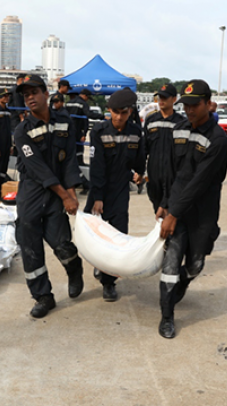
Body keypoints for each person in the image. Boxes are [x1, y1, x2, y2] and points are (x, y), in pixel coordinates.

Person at [156, 79, 227, 338]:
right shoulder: (179, 129)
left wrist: (173, 211)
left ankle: (184, 283)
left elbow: (200, 183)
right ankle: (167, 315)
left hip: (202, 214)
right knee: (171, 264)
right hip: (177, 210)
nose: (189, 110)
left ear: (209, 104)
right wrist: (165, 204)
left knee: (196, 264)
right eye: (185, 105)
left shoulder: (219, 141)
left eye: (195, 105)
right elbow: (171, 172)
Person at [13, 74, 83, 318]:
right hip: (32, 192)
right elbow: (38, 167)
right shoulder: (22, 131)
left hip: (57, 193)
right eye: (25, 95)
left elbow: (70, 159)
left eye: (34, 92)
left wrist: (72, 192)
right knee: (30, 248)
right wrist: (65, 195)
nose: (30, 98)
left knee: (62, 244)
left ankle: (74, 270)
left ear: (46, 93)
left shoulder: (65, 121)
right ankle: (43, 296)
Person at [85, 88, 146, 302]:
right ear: (108, 110)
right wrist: (98, 197)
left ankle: (108, 283)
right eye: (115, 112)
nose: (119, 117)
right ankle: (99, 265)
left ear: (130, 112)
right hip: (100, 190)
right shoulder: (99, 131)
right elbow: (97, 166)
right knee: (97, 236)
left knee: (118, 236)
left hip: (121, 191)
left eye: (124, 113)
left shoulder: (136, 132)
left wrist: (139, 175)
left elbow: (138, 161)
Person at [144, 84, 186, 214]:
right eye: (159, 98)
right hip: (154, 175)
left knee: (172, 211)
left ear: (174, 99)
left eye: (165, 98)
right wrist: (141, 172)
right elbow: (144, 148)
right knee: (158, 211)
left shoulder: (181, 123)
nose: (161, 101)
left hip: (173, 176)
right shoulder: (150, 120)